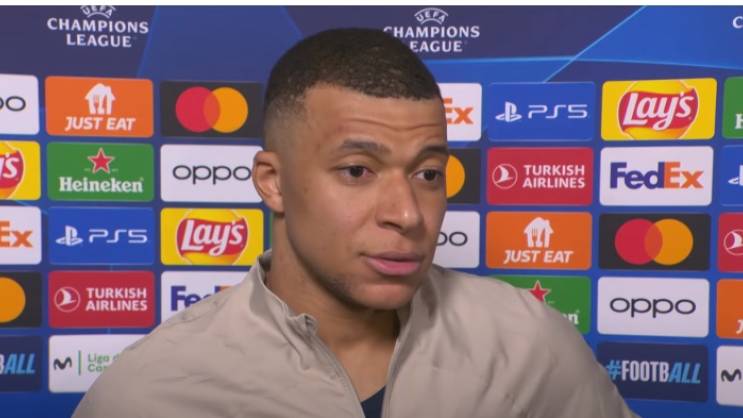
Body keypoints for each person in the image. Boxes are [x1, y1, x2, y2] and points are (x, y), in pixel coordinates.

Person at [73, 28, 639, 418]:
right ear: (273, 182)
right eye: (357, 171)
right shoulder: (152, 394)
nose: (407, 214)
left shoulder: (530, 346)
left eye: (428, 174)